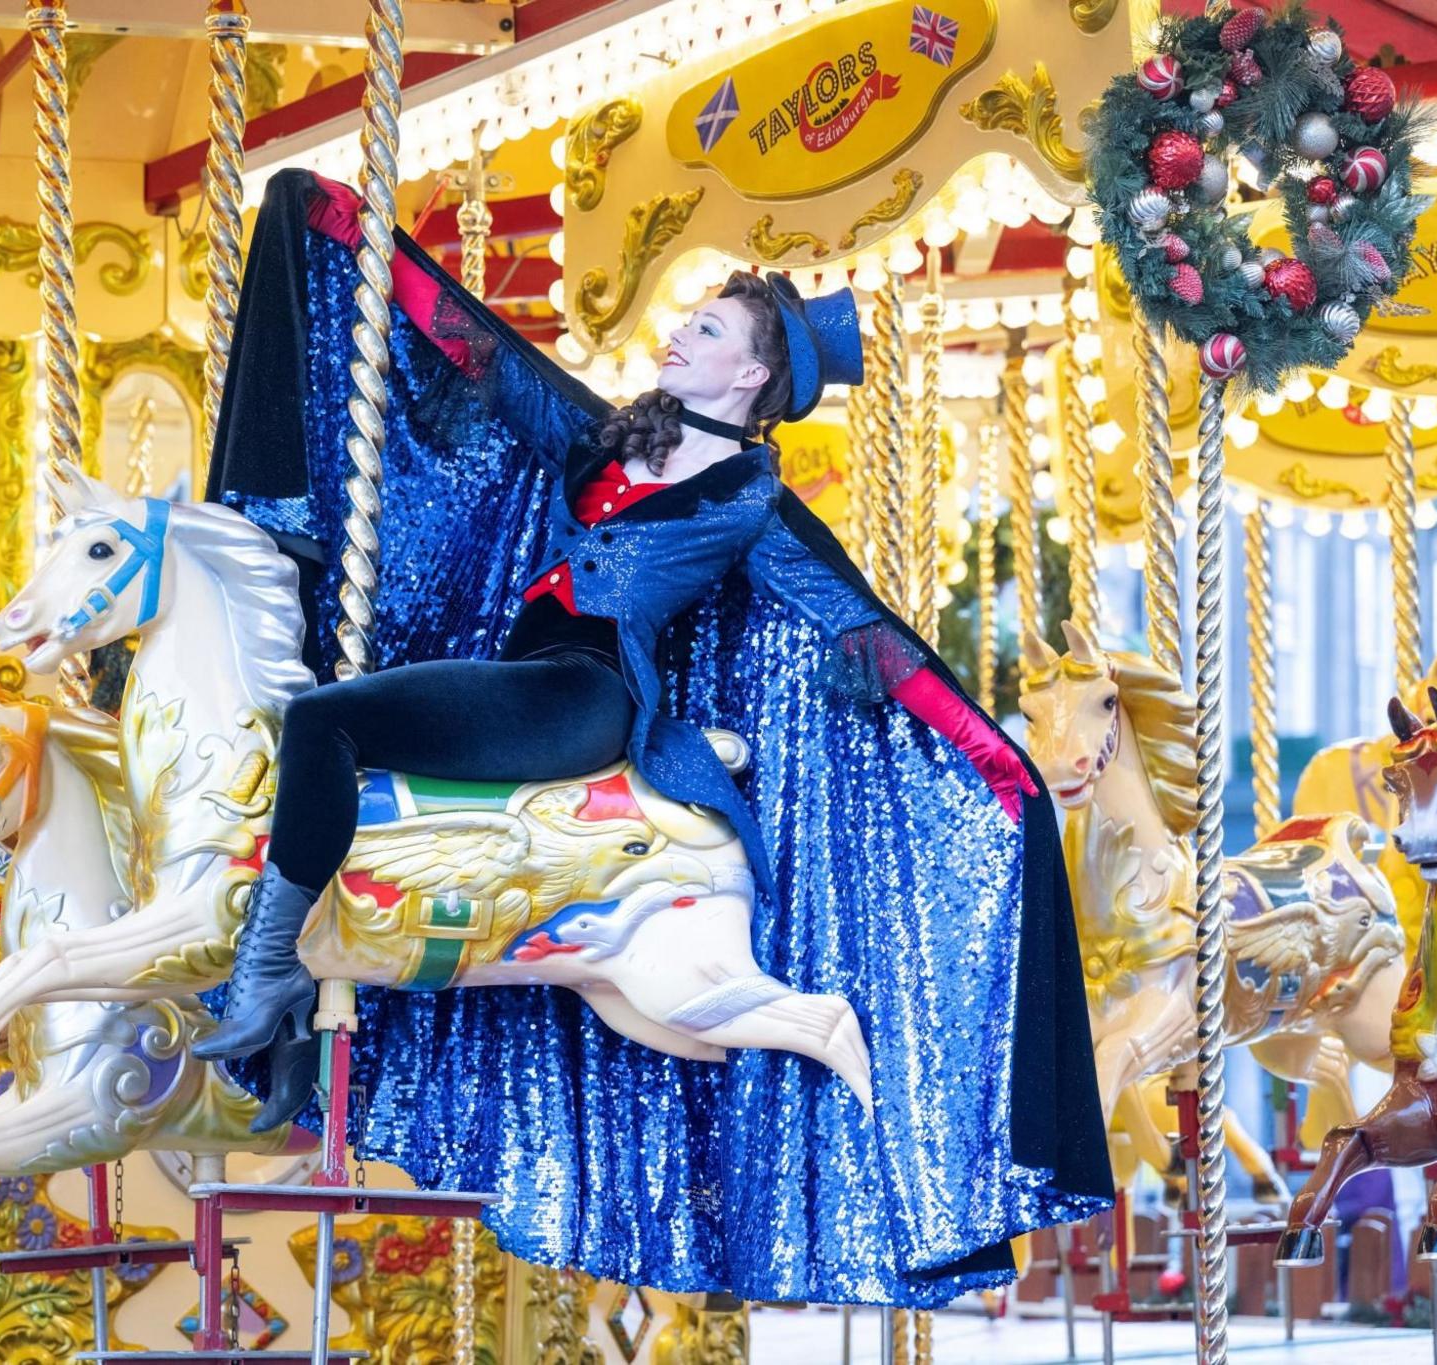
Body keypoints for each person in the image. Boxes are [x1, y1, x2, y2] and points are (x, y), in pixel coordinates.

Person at [201, 170, 1111, 1307]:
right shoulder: (606, 439)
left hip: (579, 698)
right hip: (518, 674)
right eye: (688, 322)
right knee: (338, 740)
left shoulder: (747, 503)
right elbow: (484, 360)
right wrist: (351, 241)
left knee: (325, 722)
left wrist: (985, 758)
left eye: (707, 328)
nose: (680, 336)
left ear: (753, 374)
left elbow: (859, 628)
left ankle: (266, 975)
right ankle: (290, 982)